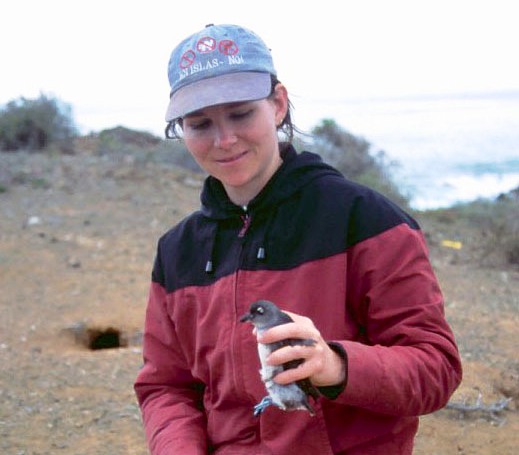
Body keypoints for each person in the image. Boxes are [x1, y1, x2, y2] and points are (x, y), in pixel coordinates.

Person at [134, 23, 462, 455]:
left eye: (240, 113)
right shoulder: (177, 250)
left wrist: (336, 365)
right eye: (199, 123)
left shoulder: (364, 219)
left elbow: (435, 368)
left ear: (278, 104)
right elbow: (166, 386)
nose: (224, 139)